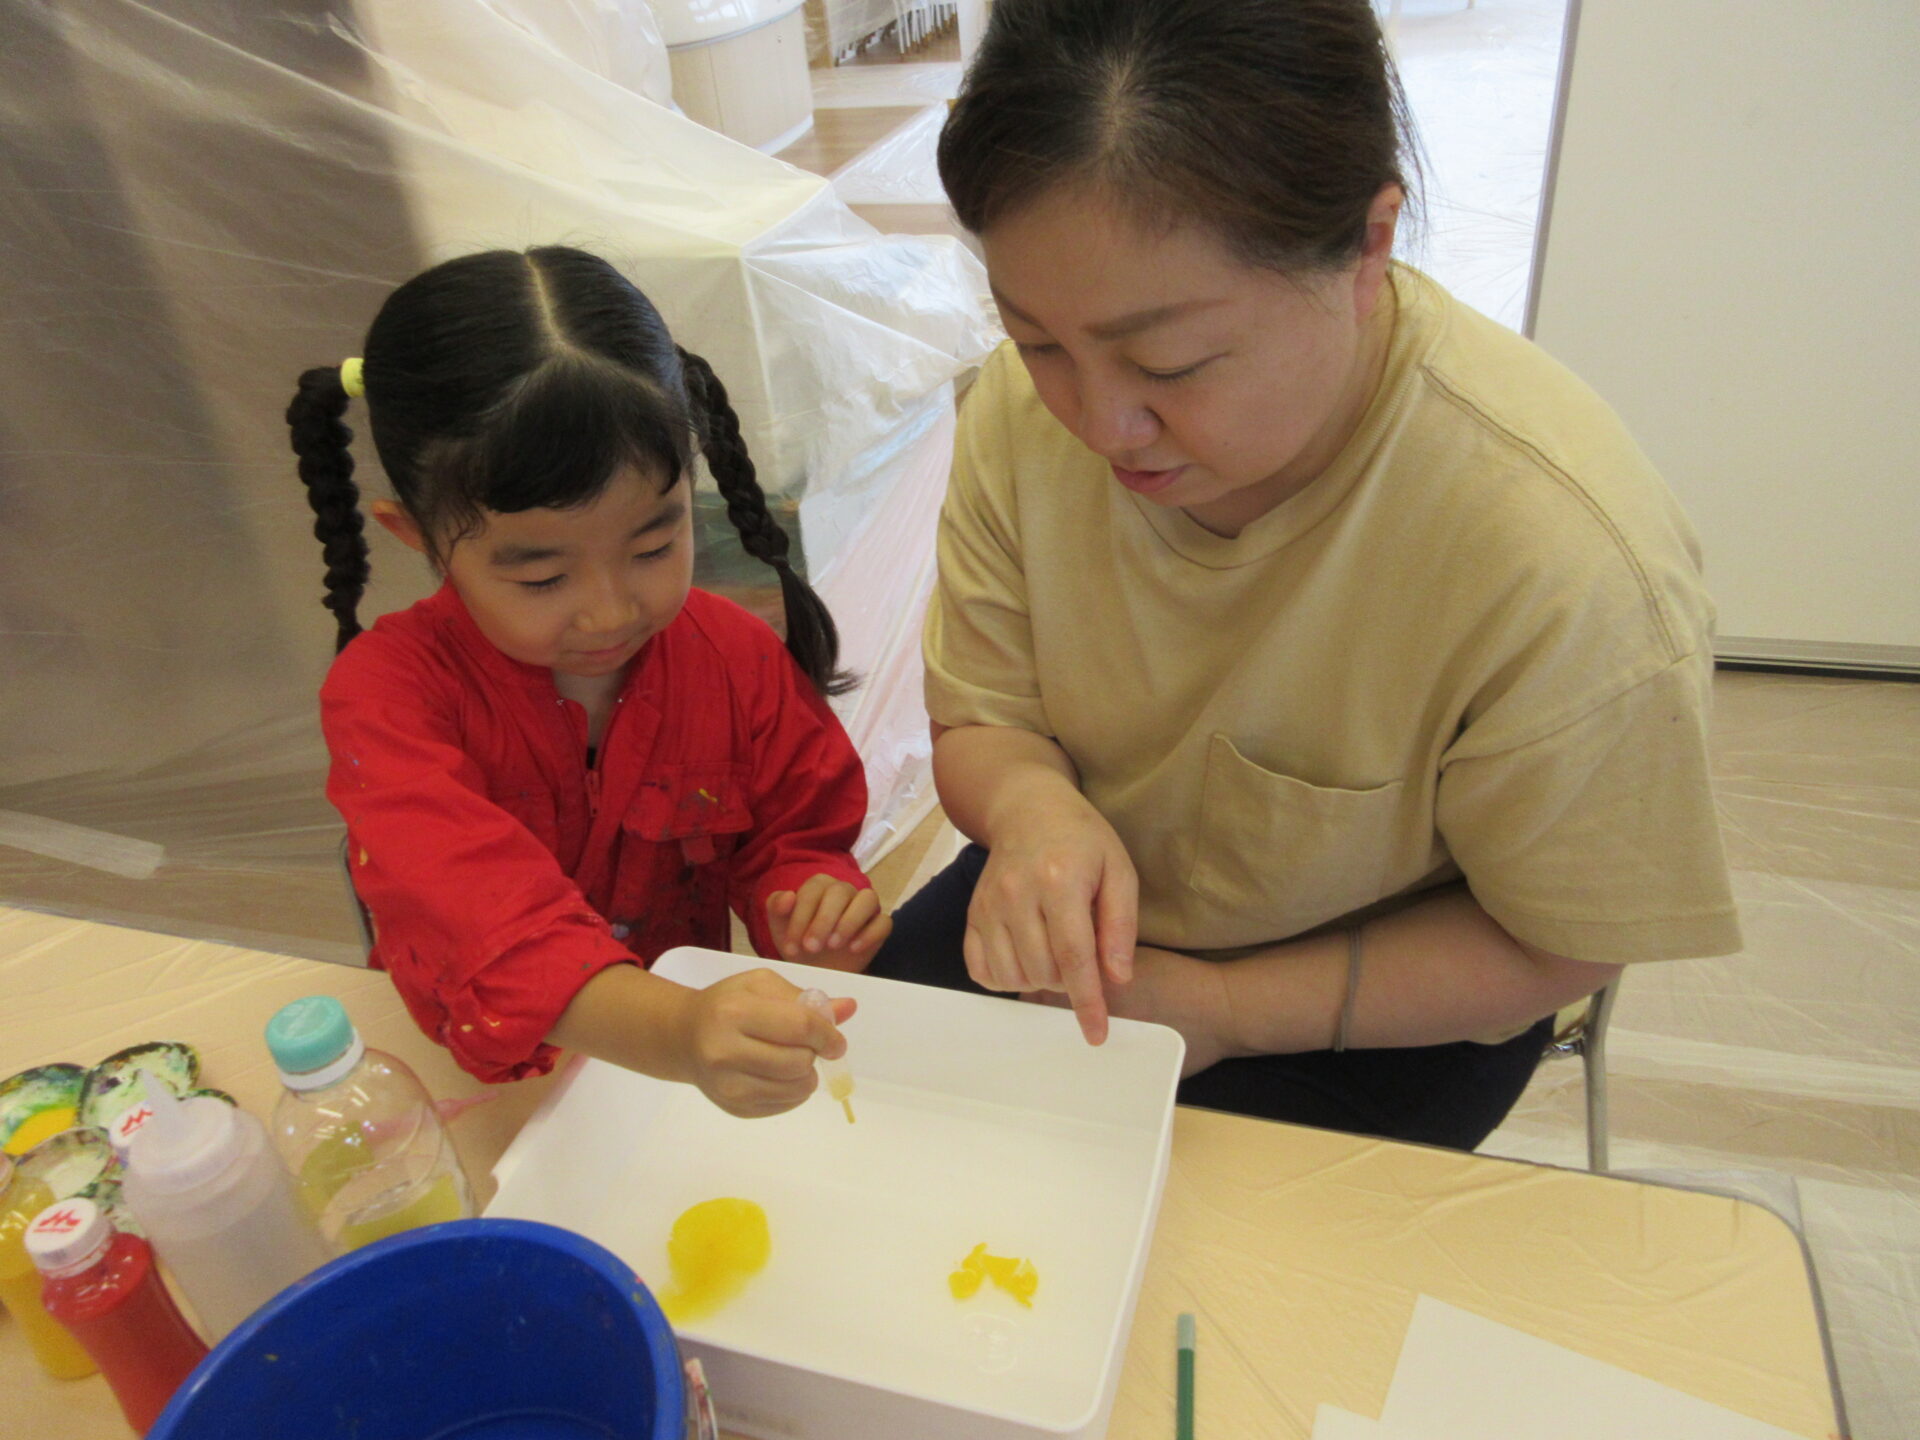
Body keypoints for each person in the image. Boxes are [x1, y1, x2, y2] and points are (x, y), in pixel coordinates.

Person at [867, 0, 1741, 1150]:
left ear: (1369, 246)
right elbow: (987, 714)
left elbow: (1560, 942)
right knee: (850, 1131)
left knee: (1207, 1252)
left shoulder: (1562, 561)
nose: (1099, 421)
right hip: (1079, 910)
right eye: (1037, 341)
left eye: (1170, 363)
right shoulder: (1020, 418)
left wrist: (1226, 1009)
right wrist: (1033, 811)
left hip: (1388, 997)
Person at [286, 246, 890, 1118]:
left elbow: (796, 828)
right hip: (486, 1078)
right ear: (415, 534)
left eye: (654, 545)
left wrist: (810, 905)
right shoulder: (388, 697)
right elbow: (477, 914)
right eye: (542, 578)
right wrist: (677, 1030)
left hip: (678, 1077)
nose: (610, 612)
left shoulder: (734, 657)